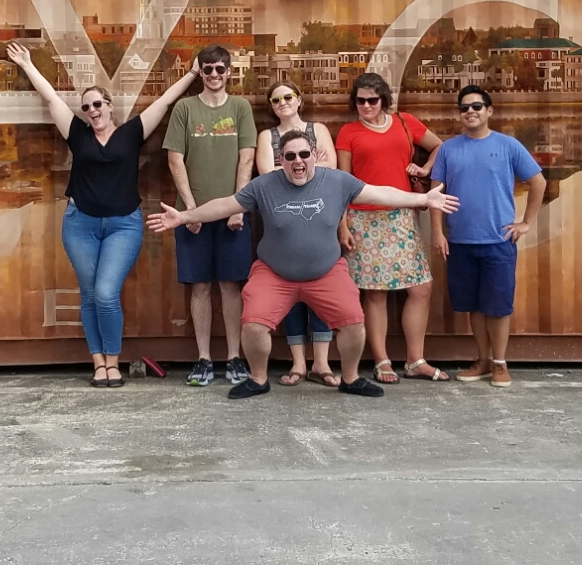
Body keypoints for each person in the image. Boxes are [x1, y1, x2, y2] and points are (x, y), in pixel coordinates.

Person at [148, 129, 459, 400]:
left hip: (326, 271)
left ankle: (350, 378)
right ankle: (258, 379)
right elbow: (225, 205)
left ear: (315, 155)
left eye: (304, 154)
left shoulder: (337, 181)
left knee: (354, 324)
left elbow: (380, 193)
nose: (298, 161)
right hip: (274, 273)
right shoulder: (264, 185)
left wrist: (423, 200)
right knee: (253, 325)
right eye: (290, 156)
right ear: (280, 160)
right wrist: (184, 216)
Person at [9, 42, 197, 387]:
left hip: (124, 225)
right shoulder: (77, 134)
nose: (92, 111)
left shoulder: (131, 134)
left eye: (97, 104)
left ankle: (113, 360)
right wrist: (27, 64)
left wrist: (194, 73)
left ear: (110, 106)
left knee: (106, 293)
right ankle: (98, 363)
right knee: (89, 294)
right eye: (86, 107)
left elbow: (164, 102)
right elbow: (51, 98)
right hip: (79, 224)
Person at [423, 85, 545, 390]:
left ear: (489, 111)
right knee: (474, 305)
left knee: (498, 305)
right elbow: (436, 194)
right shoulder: (449, 149)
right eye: (464, 108)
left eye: (476, 106)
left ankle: (500, 362)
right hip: (460, 242)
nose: (470, 112)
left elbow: (538, 182)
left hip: (498, 242)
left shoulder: (508, 146)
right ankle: (483, 360)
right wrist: (437, 232)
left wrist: (526, 222)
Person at [335, 72, 447, 384]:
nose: (366, 105)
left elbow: (440, 147)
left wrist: (424, 169)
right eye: (360, 100)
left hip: (402, 215)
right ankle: (381, 360)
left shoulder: (404, 122)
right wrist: (342, 225)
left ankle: (415, 360)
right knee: (375, 293)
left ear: (383, 99)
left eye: (372, 100)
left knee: (421, 288)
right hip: (364, 218)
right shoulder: (348, 132)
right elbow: (343, 183)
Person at [164, 44, 258, 386]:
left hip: (233, 214)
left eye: (220, 69)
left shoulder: (241, 107)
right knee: (200, 286)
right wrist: (191, 210)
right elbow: (175, 159)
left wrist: (238, 205)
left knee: (232, 285)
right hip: (191, 214)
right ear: (200, 72)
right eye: (208, 69)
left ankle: (234, 357)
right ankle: (203, 358)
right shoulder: (184, 108)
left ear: (229, 71)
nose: (214, 74)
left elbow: (247, 158)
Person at [255, 83, 340, 388]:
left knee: (321, 289)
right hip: (282, 221)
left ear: (299, 99)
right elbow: (266, 174)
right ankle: (299, 363)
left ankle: (322, 363)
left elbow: (332, 168)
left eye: (288, 96)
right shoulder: (266, 136)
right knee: (290, 291)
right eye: (275, 99)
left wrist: (289, 168)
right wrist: (310, 164)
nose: (282, 102)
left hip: (320, 218)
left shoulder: (319, 129)